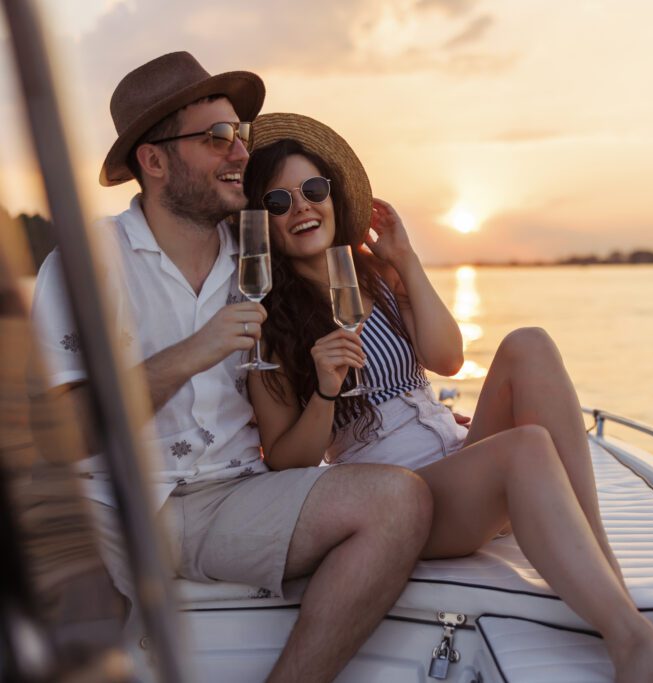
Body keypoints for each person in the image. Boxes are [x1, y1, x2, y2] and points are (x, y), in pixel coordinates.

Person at [242, 112, 653, 683]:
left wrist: (405, 261)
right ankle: (634, 645)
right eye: (279, 202)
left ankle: (611, 586)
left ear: (333, 197)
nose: (302, 207)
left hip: (458, 459)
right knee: (527, 447)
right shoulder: (269, 324)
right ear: (264, 224)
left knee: (529, 344)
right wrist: (325, 389)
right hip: (405, 498)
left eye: (312, 190)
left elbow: (448, 358)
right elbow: (287, 460)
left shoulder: (374, 278)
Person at [31, 52, 432, 683]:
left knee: (398, 502)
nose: (241, 151)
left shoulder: (258, 255)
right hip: (112, 508)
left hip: (235, 497)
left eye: (239, 134)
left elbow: (346, 321)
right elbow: (62, 435)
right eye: (217, 138)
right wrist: (192, 353)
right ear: (154, 161)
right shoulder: (88, 263)